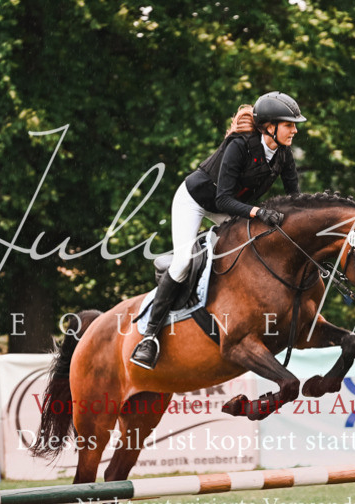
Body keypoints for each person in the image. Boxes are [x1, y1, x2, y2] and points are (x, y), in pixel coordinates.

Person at [130, 91, 307, 370]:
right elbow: (223, 199)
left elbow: (295, 201)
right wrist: (259, 212)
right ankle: (149, 336)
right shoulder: (239, 146)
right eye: (289, 124)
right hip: (196, 200)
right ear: (269, 126)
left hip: (229, 206)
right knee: (183, 262)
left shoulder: (283, 155)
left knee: (258, 245)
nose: (295, 130)